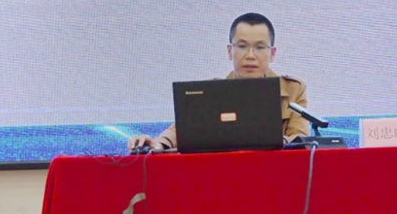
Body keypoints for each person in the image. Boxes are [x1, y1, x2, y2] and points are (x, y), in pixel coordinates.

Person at [127, 13, 310, 152]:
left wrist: (271, 142)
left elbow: (299, 138)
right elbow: (181, 131)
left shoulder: (293, 89)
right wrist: (158, 144)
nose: (250, 55)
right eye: (242, 46)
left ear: (272, 53)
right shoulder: (211, 92)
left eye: (260, 47)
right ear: (230, 51)